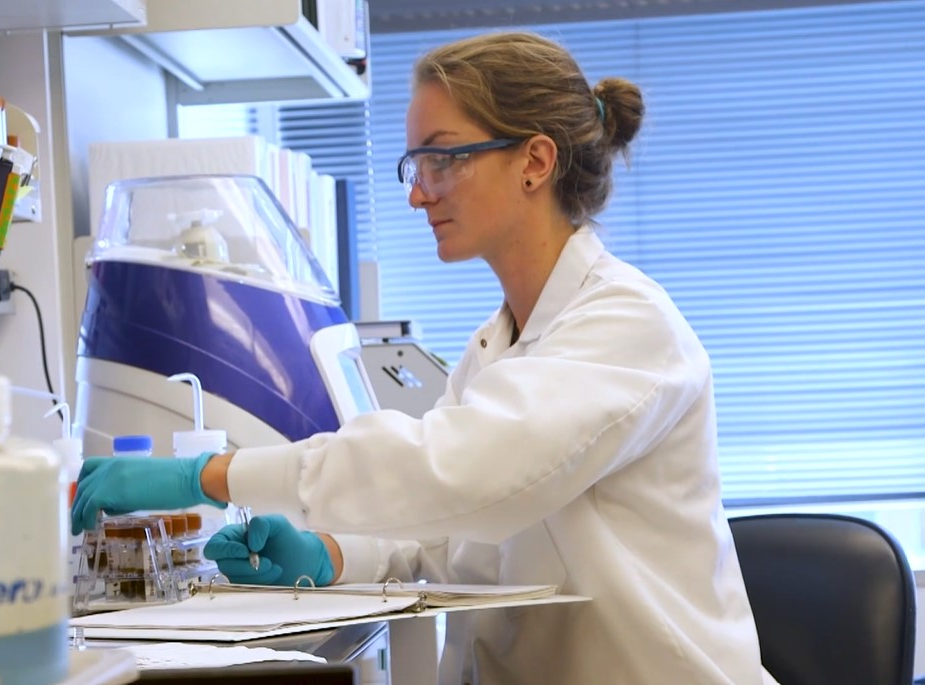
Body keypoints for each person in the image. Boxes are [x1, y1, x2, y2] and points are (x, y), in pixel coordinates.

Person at [72, 31, 778, 685]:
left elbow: (456, 470)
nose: (417, 193)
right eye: (415, 164)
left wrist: (210, 473)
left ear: (535, 162)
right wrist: (327, 555)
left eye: (442, 159)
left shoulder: (629, 324)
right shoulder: (496, 344)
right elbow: (448, 532)